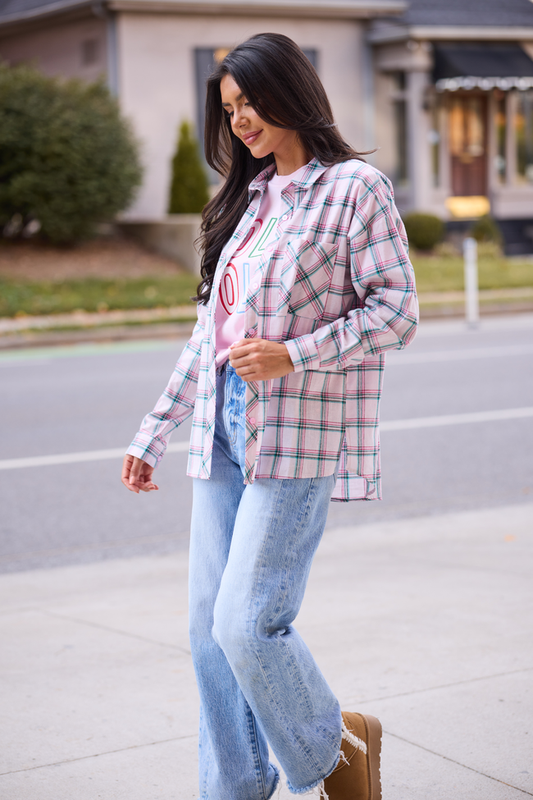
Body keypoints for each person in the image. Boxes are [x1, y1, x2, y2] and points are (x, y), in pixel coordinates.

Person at [121, 32, 418, 800]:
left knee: (245, 626)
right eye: (228, 109)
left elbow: (397, 313)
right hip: (220, 433)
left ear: (291, 92)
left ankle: (337, 745)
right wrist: (153, 431)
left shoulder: (355, 188)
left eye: (250, 101)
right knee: (206, 639)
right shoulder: (246, 204)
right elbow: (206, 338)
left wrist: (296, 353)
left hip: (296, 436)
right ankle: (234, 790)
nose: (240, 120)